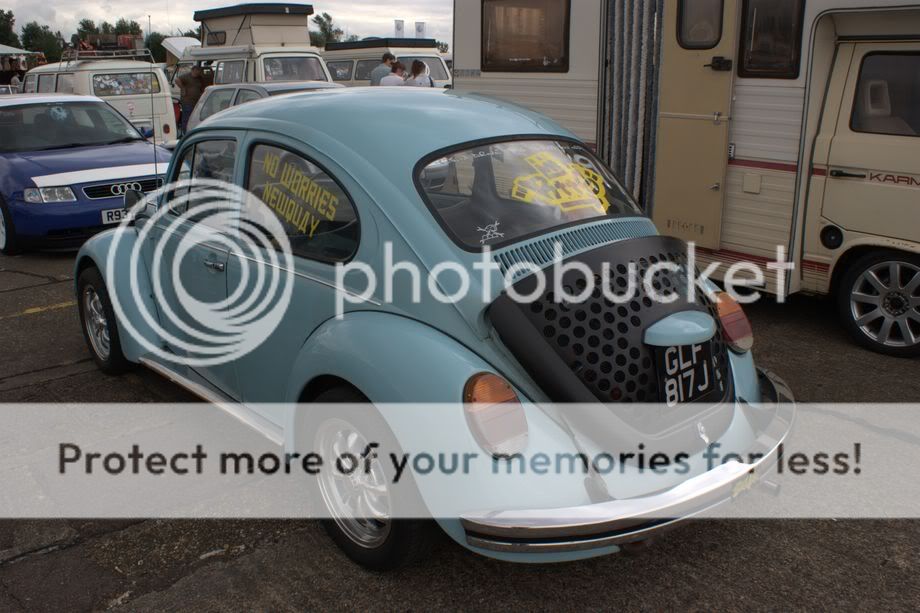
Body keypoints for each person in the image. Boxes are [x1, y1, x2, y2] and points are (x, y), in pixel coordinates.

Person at [177, 66, 205, 134]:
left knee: (194, 117)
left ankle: (192, 131)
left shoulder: (199, 78)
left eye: (199, 71)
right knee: (187, 117)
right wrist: (183, 88)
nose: (197, 72)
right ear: (192, 70)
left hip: (196, 102)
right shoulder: (186, 76)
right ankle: (185, 132)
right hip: (187, 101)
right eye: (196, 71)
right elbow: (177, 80)